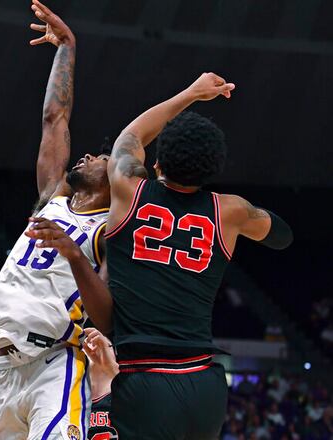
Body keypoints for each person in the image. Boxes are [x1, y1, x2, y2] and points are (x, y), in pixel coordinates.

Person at [31, 72, 293, 438]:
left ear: (157, 165)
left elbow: (133, 136)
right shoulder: (230, 212)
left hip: (143, 379)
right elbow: (282, 236)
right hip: (204, 384)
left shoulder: (129, 190)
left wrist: (192, 93)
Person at [0, 1, 113, 438]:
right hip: (2, 366)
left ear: (117, 179)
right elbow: (54, 118)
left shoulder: (110, 231)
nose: (91, 155)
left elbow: (108, 314)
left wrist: (74, 252)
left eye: (102, 158)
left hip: (56, 363)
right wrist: (67, 47)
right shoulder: (53, 196)